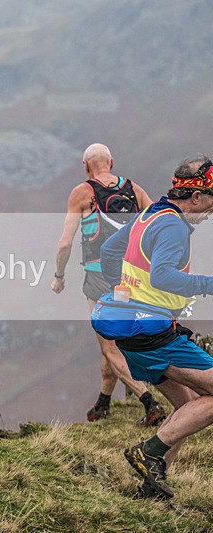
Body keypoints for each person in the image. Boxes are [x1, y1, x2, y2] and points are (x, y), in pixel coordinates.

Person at [95, 155, 213, 500]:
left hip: (134, 333)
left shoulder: (150, 214)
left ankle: (152, 488)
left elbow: (108, 250)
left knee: (187, 406)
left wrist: (125, 292)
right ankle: (148, 451)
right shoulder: (174, 225)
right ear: (196, 197)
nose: (211, 210)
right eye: (211, 200)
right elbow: (163, 276)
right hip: (153, 334)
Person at [52, 143, 165, 426]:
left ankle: (148, 402)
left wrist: (59, 275)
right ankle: (103, 404)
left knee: (109, 347)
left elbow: (65, 242)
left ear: (85, 165)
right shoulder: (133, 189)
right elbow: (159, 224)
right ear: (111, 162)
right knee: (115, 339)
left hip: (99, 276)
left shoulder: (82, 193)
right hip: (131, 277)